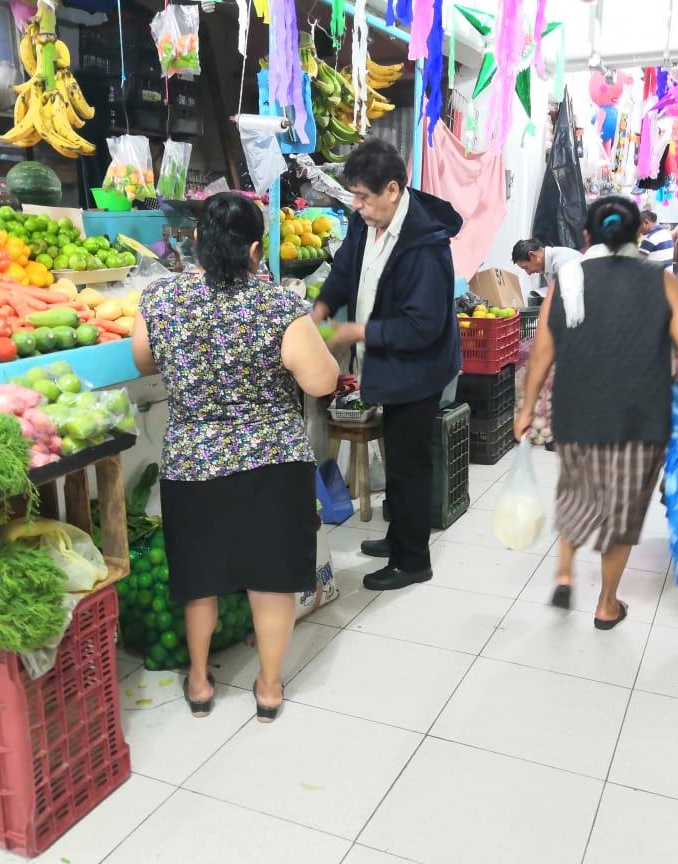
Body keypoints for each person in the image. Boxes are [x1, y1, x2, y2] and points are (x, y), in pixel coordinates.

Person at [133, 192, 339, 723]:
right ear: (255, 250)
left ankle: (200, 681)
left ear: (197, 241)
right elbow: (321, 380)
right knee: (271, 576)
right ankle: (268, 687)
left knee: (198, 576)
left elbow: (142, 360)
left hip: (192, 461)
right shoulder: (277, 304)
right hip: (271, 462)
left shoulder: (159, 300)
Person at [514, 196, 678, 628]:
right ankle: (606, 604)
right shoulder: (660, 280)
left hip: (579, 409)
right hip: (640, 415)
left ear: (587, 235)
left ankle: (564, 571)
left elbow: (543, 350)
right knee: (622, 509)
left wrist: (526, 408)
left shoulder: (567, 278)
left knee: (577, 490)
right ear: (638, 233)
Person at [312, 139, 463, 592]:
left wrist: (357, 332)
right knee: (398, 459)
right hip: (388, 363)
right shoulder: (367, 223)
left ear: (393, 190)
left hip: (419, 370)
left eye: (364, 197)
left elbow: (422, 326)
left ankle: (413, 558)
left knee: (407, 465)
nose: (357, 206)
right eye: (354, 196)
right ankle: (399, 538)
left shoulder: (426, 245)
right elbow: (344, 269)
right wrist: (321, 309)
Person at [512, 238, 583, 296]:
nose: (528, 273)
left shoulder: (560, 264)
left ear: (533, 256)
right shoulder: (548, 264)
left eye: (526, 267)